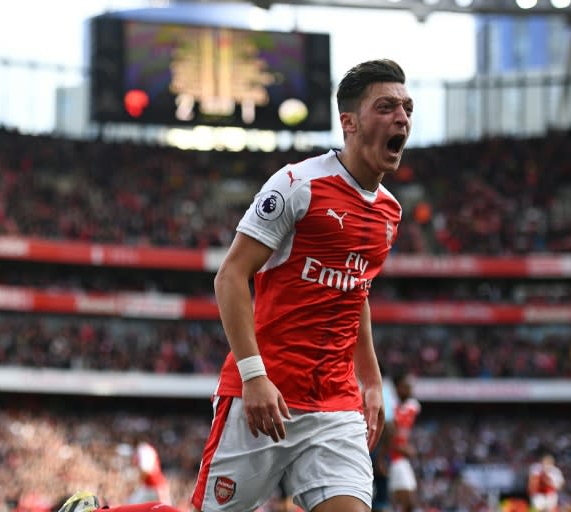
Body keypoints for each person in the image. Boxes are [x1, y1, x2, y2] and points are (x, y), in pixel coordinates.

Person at [58, 57, 412, 512]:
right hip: (266, 394)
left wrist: (372, 380)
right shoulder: (297, 186)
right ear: (349, 123)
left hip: (334, 405)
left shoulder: (390, 213)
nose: (401, 117)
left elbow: (355, 290)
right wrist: (254, 376)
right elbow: (230, 275)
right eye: (386, 107)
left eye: (406, 107)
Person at [385, 370, 420, 512]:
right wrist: (401, 448)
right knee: (406, 501)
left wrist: (406, 447)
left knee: (409, 503)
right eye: (406, 386)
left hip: (401, 458)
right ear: (398, 387)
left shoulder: (413, 407)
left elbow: (402, 434)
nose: (410, 389)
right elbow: (385, 435)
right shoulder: (389, 407)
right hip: (391, 458)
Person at [370, 380, 397, 512]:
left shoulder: (381, 387)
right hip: (370, 449)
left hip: (375, 450)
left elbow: (389, 427)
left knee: (379, 500)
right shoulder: (380, 386)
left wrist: (381, 458)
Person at [126, 435, 172, 506]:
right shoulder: (148, 449)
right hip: (154, 486)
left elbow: (145, 470)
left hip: (155, 487)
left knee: (131, 505)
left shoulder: (142, 449)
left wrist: (138, 483)